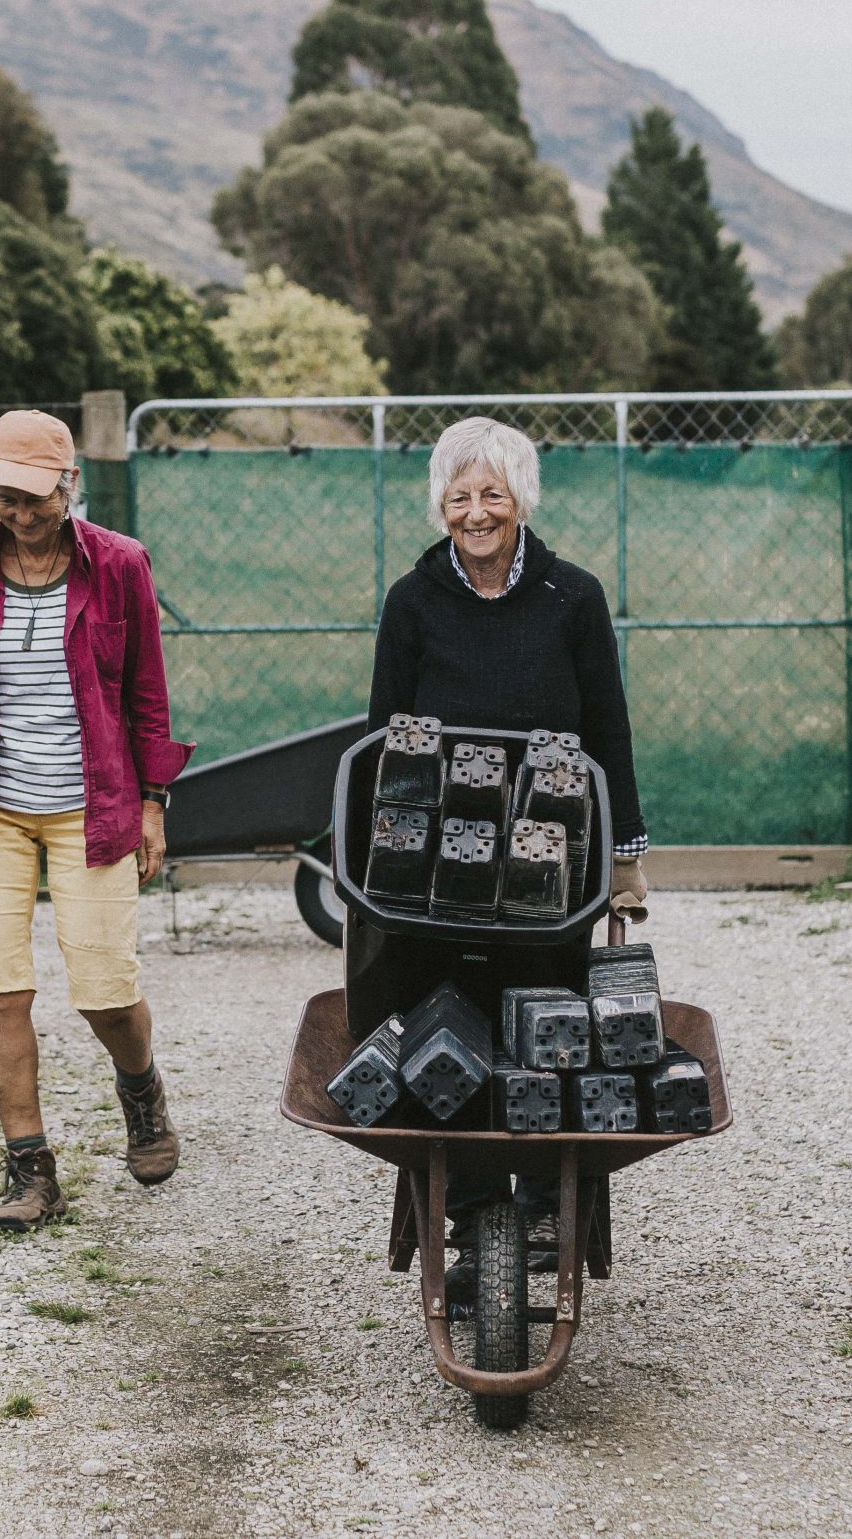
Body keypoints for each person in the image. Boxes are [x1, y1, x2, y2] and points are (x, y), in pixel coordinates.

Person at [0, 408, 194, 1233]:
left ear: (69, 485)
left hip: (93, 804)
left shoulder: (120, 564)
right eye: (3, 497)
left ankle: (141, 1091)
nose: (18, 515)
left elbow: (147, 697)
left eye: (33, 497)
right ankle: (31, 1170)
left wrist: (155, 804)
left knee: (103, 988)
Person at [366, 414, 649, 1294]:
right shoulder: (413, 602)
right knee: (442, 1010)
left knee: (557, 1020)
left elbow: (607, 728)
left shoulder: (574, 596)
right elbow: (385, 734)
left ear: (521, 500)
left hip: (552, 863)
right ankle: (474, 1208)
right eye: (460, 496)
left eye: (493, 493)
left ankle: (544, 1208)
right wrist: (377, 855)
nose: (477, 512)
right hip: (435, 877)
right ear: (440, 506)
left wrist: (625, 857)